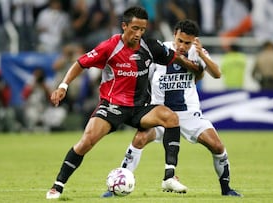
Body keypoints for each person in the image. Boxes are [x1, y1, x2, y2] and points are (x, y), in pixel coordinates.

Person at [46, 6, 201, 199]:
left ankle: (169, 177)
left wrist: (193, 67)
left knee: (170, 118)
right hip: (113, 106)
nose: (139, 34)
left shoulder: (150, 47)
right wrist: (63, 86)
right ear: (124, 26)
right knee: (86, 142)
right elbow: (80, 63)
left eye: (142, 29)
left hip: (139, 108)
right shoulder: (109, 47)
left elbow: (174, 57)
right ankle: (57, 186)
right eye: (135, 28)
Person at [104, 19, 242, 197]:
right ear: (174, 35)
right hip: (160, 113)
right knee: (139, 140)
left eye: (187, 42)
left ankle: (226, 189)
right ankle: (116, 188)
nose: (183, 46)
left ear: (193, 41)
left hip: (189, 114)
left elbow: (216, 74)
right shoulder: (159, 50)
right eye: (180, 41)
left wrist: (202, 54)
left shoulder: (196, 52)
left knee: (217, 146)